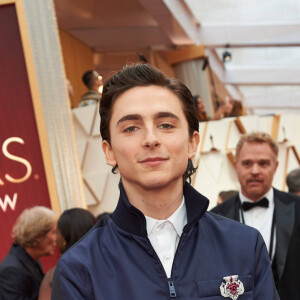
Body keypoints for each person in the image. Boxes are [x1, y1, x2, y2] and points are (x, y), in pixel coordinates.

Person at [52, 64, 278, 299]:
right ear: (109, 152)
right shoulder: (79, 268)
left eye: (166, 125)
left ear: (192, 143)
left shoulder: (244, 245)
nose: (151, 139)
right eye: (131, 128)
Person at [212, 131, 300, 300]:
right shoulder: (215, 218)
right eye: (247, 163)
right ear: (236, 165)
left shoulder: (297, 208)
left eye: (263, 163)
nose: (255, 170)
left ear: (275, 167)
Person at [0, 206, 57, 300]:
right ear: (38, 236)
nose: (56, 238)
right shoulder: (11, 271)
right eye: (53, 232)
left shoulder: (31, 259)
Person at [38, 208, 96, 300]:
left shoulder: (56, 274)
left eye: (56, 232)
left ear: (65, 237)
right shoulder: (109, 265)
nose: (55, 238)